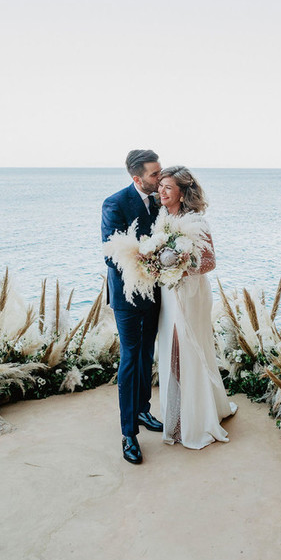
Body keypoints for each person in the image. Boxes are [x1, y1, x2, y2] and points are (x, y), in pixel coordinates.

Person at [156, 165, 237, 448]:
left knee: (188, 348)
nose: (161, 191)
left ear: (182, 192)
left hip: (190, 293)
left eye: (168, 187)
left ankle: (195, 420)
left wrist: (180, 265)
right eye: (160, 186)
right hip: (168, 293)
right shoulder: (162, 216)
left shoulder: (197, 221)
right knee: (170, 350)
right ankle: (177, 413)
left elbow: (210, 262)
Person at [101, 149, 164, 465]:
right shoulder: (114, 204)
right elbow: (111, 256)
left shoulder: (158, 201)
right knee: (129, 358)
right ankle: (129, 434)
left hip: (155, 294)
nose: (160, 177)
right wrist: (150, 259)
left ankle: (142, 410)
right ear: (137, 178)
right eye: (155, 174)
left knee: (146, 355)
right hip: (127, 297)